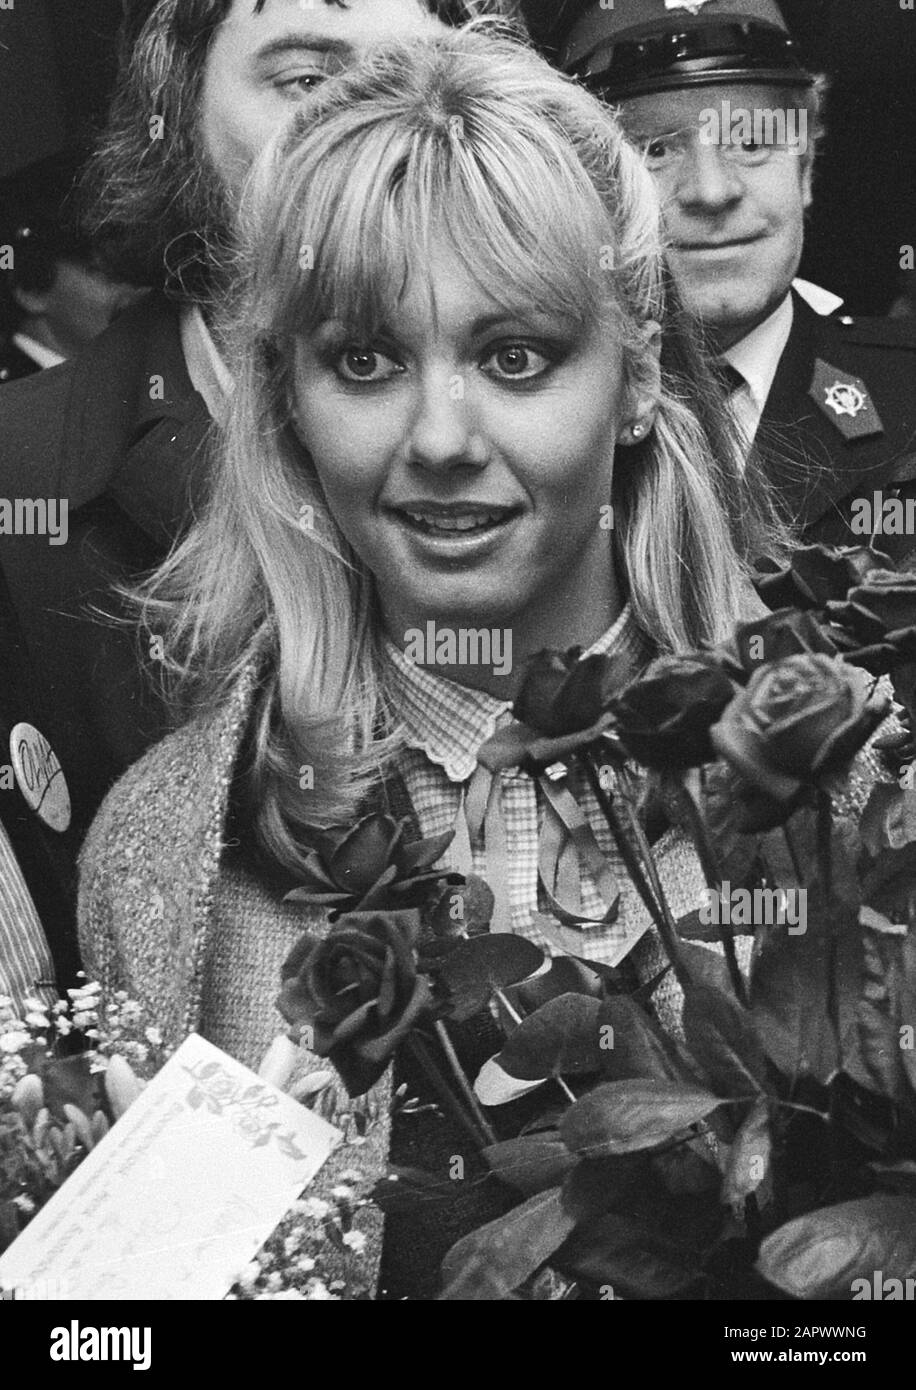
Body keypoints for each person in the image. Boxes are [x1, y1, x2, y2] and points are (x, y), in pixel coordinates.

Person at [75, 26, 884, 1298]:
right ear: (285, 400)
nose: (440, 438)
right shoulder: (166, 850)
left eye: (515, 356)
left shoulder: (864, 797)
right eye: (365, 360)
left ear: (632, 378)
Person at [0, 0, 521, 994]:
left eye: (417, 75)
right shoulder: (21, 474)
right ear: (178, 110)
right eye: (303, 80)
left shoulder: (584, 440)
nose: (370, 131)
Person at [557, 0, 916, 562]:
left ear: (805, 171)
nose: (711, 190)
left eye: (751, 143)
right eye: (654, 149)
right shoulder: (531, 408)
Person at [0, 149, 145, 384]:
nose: (137, 293)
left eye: (137, 273)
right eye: (106, 272)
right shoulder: (14, 408)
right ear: (30, 291)